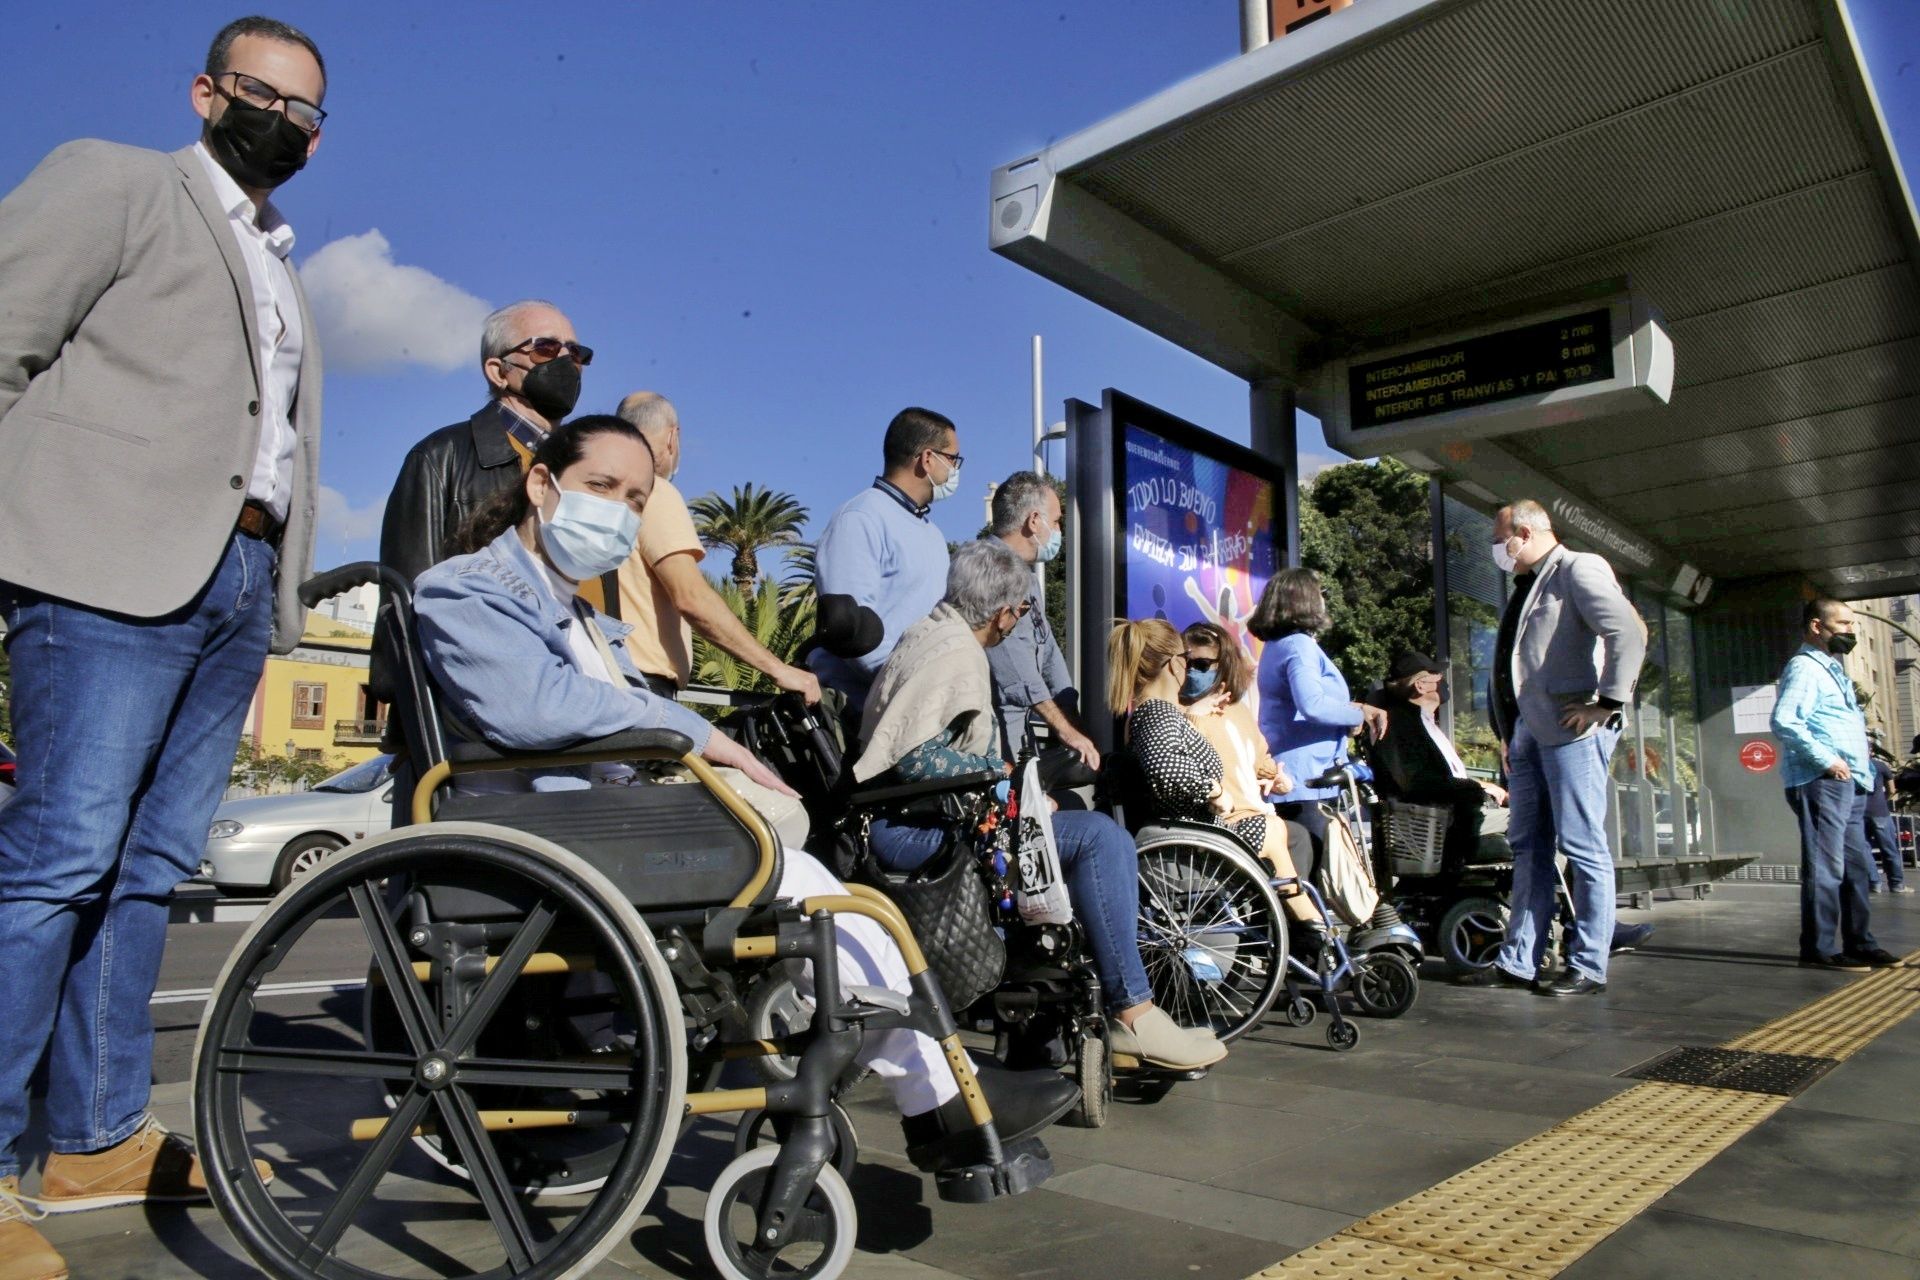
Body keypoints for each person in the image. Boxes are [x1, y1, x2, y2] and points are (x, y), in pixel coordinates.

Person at [410, 416, 1078, 1172]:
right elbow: (535, 708)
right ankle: (939, 1095)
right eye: (601, 487)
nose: (619, 512)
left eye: (634, 499)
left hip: (604, 822)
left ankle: (938, 1088)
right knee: (819, 892)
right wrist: (699, 735)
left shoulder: (582, 616)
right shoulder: (463, 590)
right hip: (557, 832)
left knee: (836, 894)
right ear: (541, 484)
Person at [0, 16, 326, 1272]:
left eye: (309, 110)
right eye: (265, 96)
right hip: (101, 568)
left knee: (146, 874)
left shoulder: (285, 263)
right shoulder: (119, 182)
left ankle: (91, 1134)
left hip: (237, 579)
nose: (287, 122)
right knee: (58, 859)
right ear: (205, 93)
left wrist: (279, 592)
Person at [854, 542, 1226, 1071]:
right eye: (1023, 611)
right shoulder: (955, 651)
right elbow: (916, 760)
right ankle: (1135, 1014)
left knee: (1079, 831)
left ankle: (1087, 1013)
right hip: (913, 831)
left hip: (913, 818)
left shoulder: (930, 632)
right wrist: (1005, 781)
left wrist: (1014, 792)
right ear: (1007, 611)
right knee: (1101, 838)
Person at [1482, 500, 1646, 996]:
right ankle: (1518, 961)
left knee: (1581, 844)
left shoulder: (1579, 567)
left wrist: (1608, 704)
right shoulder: (1527, 584)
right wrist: (1510, 733)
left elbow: (1627, 632)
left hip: (1570, 728)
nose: (1498, 549)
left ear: (1525, 532)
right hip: (1528, 732)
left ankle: (1588, 964)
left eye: (1500, 538)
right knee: (1528, 847)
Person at [1117, 620, 1330, 949]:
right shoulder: (1158, 713)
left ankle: (1304, 922)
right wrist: (1213, 790)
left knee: (1282, 833)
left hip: (1198, 831)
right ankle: (1307, 925)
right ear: (1175, 664)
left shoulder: (1162, 712)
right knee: (1274, 831)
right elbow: (1167, 769)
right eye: (1190, 662)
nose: (1191, 671)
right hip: (1190, 836)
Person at [610, 391, 820, 704]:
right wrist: (777, 669)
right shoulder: (654, 491)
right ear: (672, 438)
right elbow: (691, 597)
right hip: (639, 688)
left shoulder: (598, 496)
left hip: (600, 675)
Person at [1771, 599, 1901, 969]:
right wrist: (1828, 761)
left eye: (1852, 624)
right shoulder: (1805, 668)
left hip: (1852, 783)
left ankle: (1860, 942)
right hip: (1822, 780)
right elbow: (1785, 720)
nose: (1850, 631)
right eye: (1842, 624)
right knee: (1826, 867)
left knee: (1856, 867)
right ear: (1816, 626)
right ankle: (1819, 949)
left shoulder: (1832, 670)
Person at [811, 408, 960, 707]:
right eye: (953, 459)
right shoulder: (860, 518)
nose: (956, 471)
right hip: (858, 713)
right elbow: (850, 632)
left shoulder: (931, 533)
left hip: (915, 707)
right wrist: (910, 685)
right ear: (927, 459)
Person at [1248, 568, 1388, 878]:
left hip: (1296, 774)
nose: (1324, 600)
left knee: (1302, 869)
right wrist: (1359, 715)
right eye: (1320, 593)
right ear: (1304, 600)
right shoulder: (1299, 644)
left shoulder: (1279, 644)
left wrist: (1355, 710)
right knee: (1311, 874)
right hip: (1307, 778)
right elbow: (1311, 704)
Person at [984, 472, 1098, 767]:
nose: (1059, 529)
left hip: (1021, 735)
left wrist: (1071, 716)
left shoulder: (1028, 580)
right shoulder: (990, 571)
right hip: (992, 741)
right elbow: (1014, 664)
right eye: (1057, 520)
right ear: (1034, 521)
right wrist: (1064, 728)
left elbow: (1047, 650)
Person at [1368, 650, 1508, 872]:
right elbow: (1421, 783)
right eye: (1438, 676)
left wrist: (1481, 787)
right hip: (1442, 824)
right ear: (1421, 685)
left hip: (1455, 812)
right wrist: (1478, 789)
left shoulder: (1423, 723)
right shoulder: (1400, 725)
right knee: (1542, 821)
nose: (1445, 682)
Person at [1863, 737, 1910, 894]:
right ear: (1871, 751)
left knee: (1865, 849)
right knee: (1889, 849)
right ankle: (1897, 884)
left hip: (1858, 813)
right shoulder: (1881, 766)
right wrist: (1884, 800)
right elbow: (1892, 790)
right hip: (1880, 812)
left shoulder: (1850, 766)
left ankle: (1873, 884)